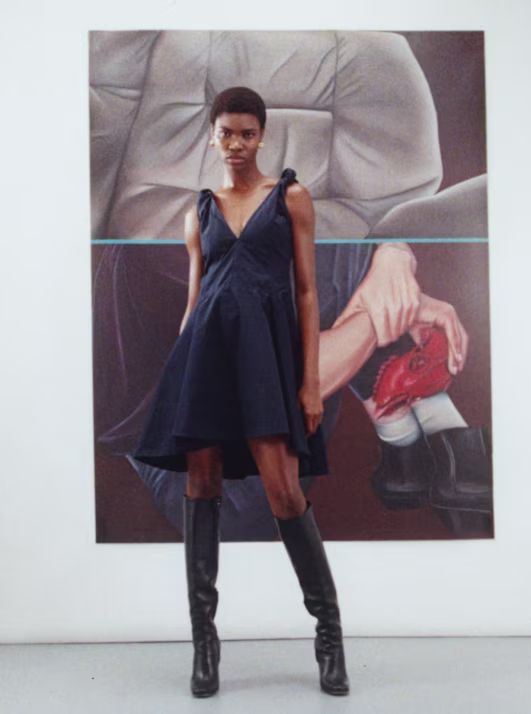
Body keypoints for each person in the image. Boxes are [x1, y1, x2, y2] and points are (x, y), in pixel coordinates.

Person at [133, 87, 349, 697]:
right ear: (212, 135)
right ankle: (204, 646)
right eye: (226, 132)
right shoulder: (198, 211)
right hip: (204, 358)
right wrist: (180, 379)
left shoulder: (290, 198)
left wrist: (310, 382)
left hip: (264, 360)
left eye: (247, 133)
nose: (236, 144)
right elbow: (195, 299)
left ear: (262, 137)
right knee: (200, 485)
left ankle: (329, 636)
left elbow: (306, 291)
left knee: (284, 490)